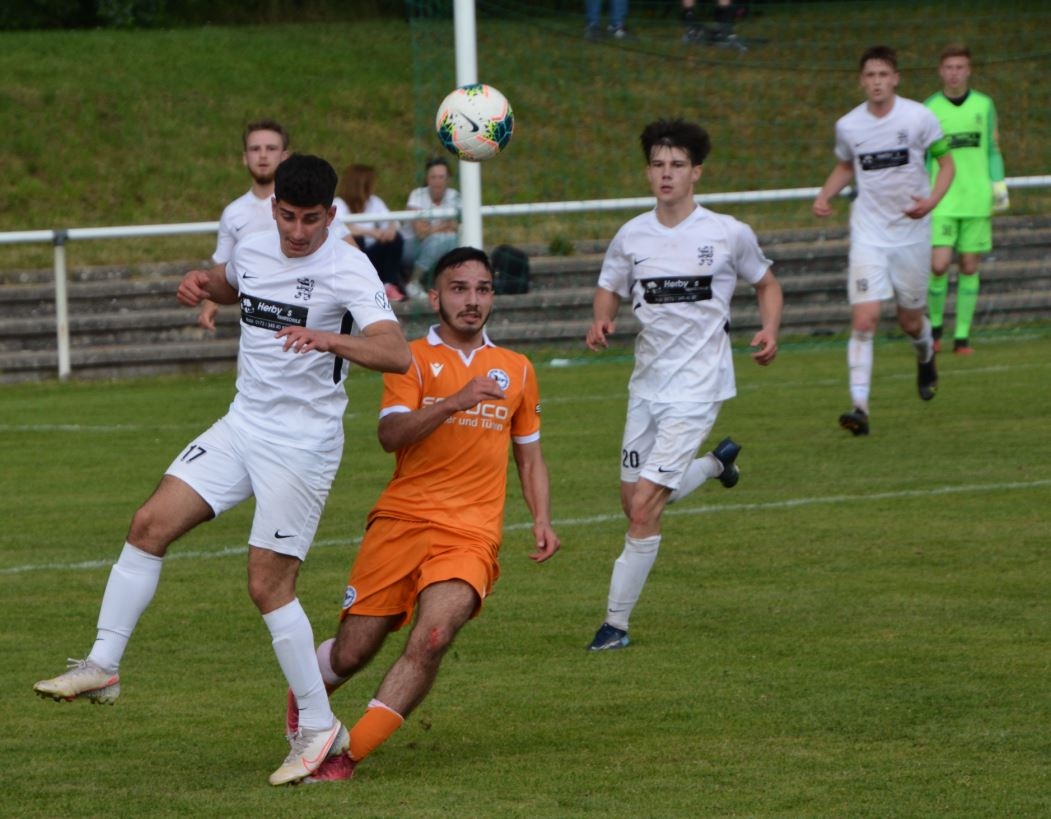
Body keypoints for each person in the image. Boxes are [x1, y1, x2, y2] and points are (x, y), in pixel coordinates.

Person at [32, 154, 412, 787]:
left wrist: (330, 339)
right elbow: (234, 282)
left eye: (310, 219)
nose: (297, 231)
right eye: (287, 216)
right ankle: (103, 665)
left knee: (267, 585)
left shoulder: (347, 266)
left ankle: (318, 726)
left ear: (331, 214)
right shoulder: (256, 244)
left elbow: (396, 352)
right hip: (242, 424)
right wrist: (201, 284)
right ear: (273, 209)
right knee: (149, 524)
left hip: (302, 444)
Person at [281, 246, 560, 782]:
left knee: (433, 637)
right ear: (435, 297)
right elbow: (390, 435)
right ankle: (308, 693)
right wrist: (454, 401)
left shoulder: (518, 370)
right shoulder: (408, 358)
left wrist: (541, 518)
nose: (472, 300)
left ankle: (343, 757)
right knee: (353, 651)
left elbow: (529, 455)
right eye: (459, 289)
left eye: (482, 289)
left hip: (471, 533)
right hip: (401, 521)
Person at [584, 119, 783, 652]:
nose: (666, 174)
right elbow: (608, 287)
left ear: (696, 172)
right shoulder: (632, 235)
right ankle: (716, 465)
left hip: (699, 387)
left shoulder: (727, 233)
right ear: (648, 172)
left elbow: (766, 283)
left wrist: (769, 328)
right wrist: (602, 318)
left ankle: (614, 626)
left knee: (645, 509)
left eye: (676, 165)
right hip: (647, 385)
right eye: (657, 164)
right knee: (632, 501)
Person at [813, 45, 955, 437]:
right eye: (870, 75)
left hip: (911, 234)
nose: (877, 82)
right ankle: (859, 407)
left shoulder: (919, 118)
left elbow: (947, 164)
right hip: (869, 234)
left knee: (910, 321)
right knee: (864, 319)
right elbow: (846, 165)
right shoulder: (849, 125)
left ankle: (925, 355)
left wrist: (931, 202)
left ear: (895, 79)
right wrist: (825, 195)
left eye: (883, 75)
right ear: (862, 81)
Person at [925, 44, 1008, 355]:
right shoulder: (930, 107)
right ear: (940, 71)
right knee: (938, 265)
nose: (954, 73)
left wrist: (998, 184)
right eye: (949, 67)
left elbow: (992, 149)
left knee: (970, 266)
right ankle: (935, 328)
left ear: (968, 70)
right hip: (941, 199)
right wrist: (923, 190)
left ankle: (962, 337)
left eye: (960, 67)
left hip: (976, 198)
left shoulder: (984, 105)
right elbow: (923, 156)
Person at [196, 118, 290, 331]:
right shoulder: (233, 213)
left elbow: (348, 249)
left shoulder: (305, 205)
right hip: (256, 324)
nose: (263, 155)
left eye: (271, 148)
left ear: (285, 156)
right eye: (255, 149)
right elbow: (222, 268)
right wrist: (209, 305)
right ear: (245, 158)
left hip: (304, 318)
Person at [335, 163, 406, 303]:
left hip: (372, 253)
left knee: (396, 239)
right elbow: (340, 228)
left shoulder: (374, 201)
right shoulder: (339, 203)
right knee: (357, 239)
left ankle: (389, 285)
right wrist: (372, 232)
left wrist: (391, 229)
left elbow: (391, 220)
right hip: (354, 255)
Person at [402, 156, 460, 299]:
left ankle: (452, 284)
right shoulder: (417, 195)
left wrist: (433, 228)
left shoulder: (454, 196)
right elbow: (421, 233)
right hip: (411, 246)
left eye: (441, 177)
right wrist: (444, 225)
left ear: (448, 179)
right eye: (433, 177)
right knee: (442, 238)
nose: (437, 181)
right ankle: (413, 282)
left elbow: (457, 226)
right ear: (427, 179)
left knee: (453, 238)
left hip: (441, 246)